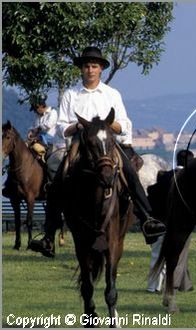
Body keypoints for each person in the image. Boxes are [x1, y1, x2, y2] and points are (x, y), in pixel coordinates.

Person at [28, 46, 166, 258]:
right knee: (58, 175)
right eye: (86, 66)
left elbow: (124, 124)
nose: (90, 70)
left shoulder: (112, 94)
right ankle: (48, 234)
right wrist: (80, 126)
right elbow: (61, 127)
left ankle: (147, 217)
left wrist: (108, 126)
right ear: (81, 69)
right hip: (79, 143)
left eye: (94, 66)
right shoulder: (70, 95)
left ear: (101, 69)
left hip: (107, 143)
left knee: (129, 171)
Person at [146, 149, 194, 293]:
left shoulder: (164, 177)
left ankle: (155, 286)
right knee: (174, 256)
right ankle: (162, 286)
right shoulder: (189, 180)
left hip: (158, 220)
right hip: (178, 223)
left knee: (156, 255)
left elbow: (152, 194)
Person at [27, 95, 58, 162]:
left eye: (35, 109)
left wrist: (37, 129)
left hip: (50, 140)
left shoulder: (52, 112)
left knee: (36, 147)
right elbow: (33, 126)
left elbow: (48, 125)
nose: (35, 111)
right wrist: (31, 131)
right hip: (38, 138)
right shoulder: (38, 116)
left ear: (40, 106)